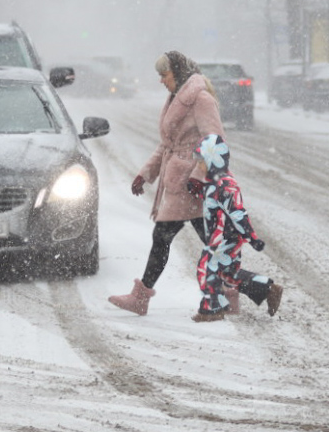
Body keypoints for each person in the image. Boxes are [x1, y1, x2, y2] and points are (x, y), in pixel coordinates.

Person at [109, 50, 239, 316]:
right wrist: (145, 174)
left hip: (192, 184)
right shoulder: (176, 98)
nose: (161, 80)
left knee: (164, 238)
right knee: (210, 242)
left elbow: (216, 141)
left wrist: (199, 177)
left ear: (177, 73)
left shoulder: (200, 99)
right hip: (181, 183)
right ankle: (248, 290)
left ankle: (141, 298)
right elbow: (168, 144)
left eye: (164, 75)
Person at [189, 133, 283, 322]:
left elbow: (237, 212)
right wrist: (200, 192)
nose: (198, 165)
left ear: (213, 160)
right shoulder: (215, 181)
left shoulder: (224, 184)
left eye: (202, 161)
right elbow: (216, 204)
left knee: (206, 268)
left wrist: (252, 237)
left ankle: (212, 309)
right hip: (224, 235)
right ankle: (267, 289)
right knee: (227, 273)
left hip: (225, 236)